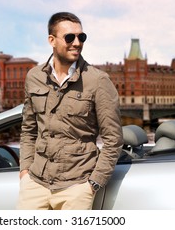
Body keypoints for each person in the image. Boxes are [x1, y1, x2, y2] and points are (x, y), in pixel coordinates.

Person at [17, 12, 123, 210]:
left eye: (81, 37)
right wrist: (25, 171)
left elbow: (113, 139)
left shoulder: (98, 81)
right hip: (35, 183)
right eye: (69, 37)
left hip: (77, 187)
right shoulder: (34, 77)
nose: (77, 42)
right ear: (52, 40)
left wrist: (92, 184)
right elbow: (29, 130)